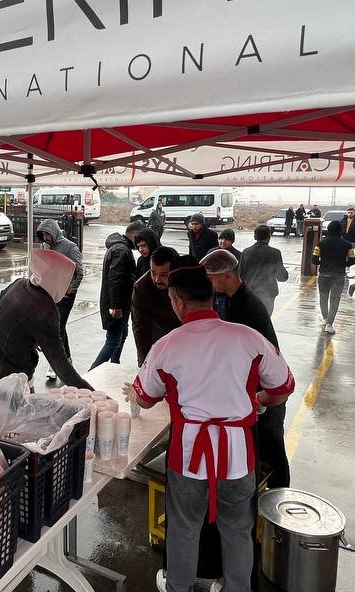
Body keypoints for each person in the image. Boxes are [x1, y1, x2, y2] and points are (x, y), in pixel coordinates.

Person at [126, 265, 295, 592]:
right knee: (237, 530)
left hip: (188, 455)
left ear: (177, 301)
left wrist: (135, 392)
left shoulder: (166, 346)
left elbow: (145, 398)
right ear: (212, 298)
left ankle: (179, 588)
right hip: (238, 454)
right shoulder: (248, 338)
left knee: (184, 527)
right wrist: (258, 399)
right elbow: (284, 386)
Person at [201, 249, 289, 492]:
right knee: (260, 447)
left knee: (272, 450)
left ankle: (279, 503)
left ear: (227, 276)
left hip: (267, 391)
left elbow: (247, 356)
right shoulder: (234, 298)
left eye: (211, 278)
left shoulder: (246, 305)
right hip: (257, 388)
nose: (209, 283)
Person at [0, 248, 93, 389]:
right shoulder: (45, 310)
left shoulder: (19, 284)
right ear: (56, 279)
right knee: (22, 410)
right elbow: (60, 365)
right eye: (68, 283)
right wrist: (91, 392)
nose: (69, 290)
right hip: (13, 382)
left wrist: (28, 338)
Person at [92, 222, 142, 368]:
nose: (140, 244)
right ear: (134, 235)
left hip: (119, 303)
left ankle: (114, 365)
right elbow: (115, 279)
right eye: (139, 239)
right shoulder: (121, 250)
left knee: (121, 335)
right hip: (115, 304)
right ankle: (90, 375)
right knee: (113, 340)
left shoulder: (121, 247)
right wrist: (116, 306)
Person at [36, 218, 83, 358]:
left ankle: (59, 361)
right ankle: (65, 359)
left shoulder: (70, 247)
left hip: (66, 294)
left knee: (58, 328)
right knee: (58, 328)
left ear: (54, 232)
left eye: (48, 234)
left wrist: (71, 288)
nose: (45, 238)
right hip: (50, 292)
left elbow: (79, 272)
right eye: (43, 235)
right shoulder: (44, 246)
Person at [131, 246, 183, 365]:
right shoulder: (141, 288)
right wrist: (145, 364)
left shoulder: (189, 283)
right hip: (158, 339)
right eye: (153, 273)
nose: (157, 279)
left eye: (164, 275)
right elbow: (140, 329)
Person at [311, 221, 355, 335]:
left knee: (323, 298)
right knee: (335, 300)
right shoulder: (347, 244)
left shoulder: (321, 243)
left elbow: (314, 260)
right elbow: (352, 260)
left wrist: (324, 262)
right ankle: (330, 324)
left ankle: (325, 319)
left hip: (324, 274)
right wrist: (342, 264)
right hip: (339, 275)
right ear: (340, 230)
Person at [238, 225, 288, 309]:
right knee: (265, 319)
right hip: (268, 294)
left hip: (250, 293)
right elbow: (282, 277)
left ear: (254, 237)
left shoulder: (246, 252)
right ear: (269, 237)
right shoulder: (275, 253)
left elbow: (240, 275)